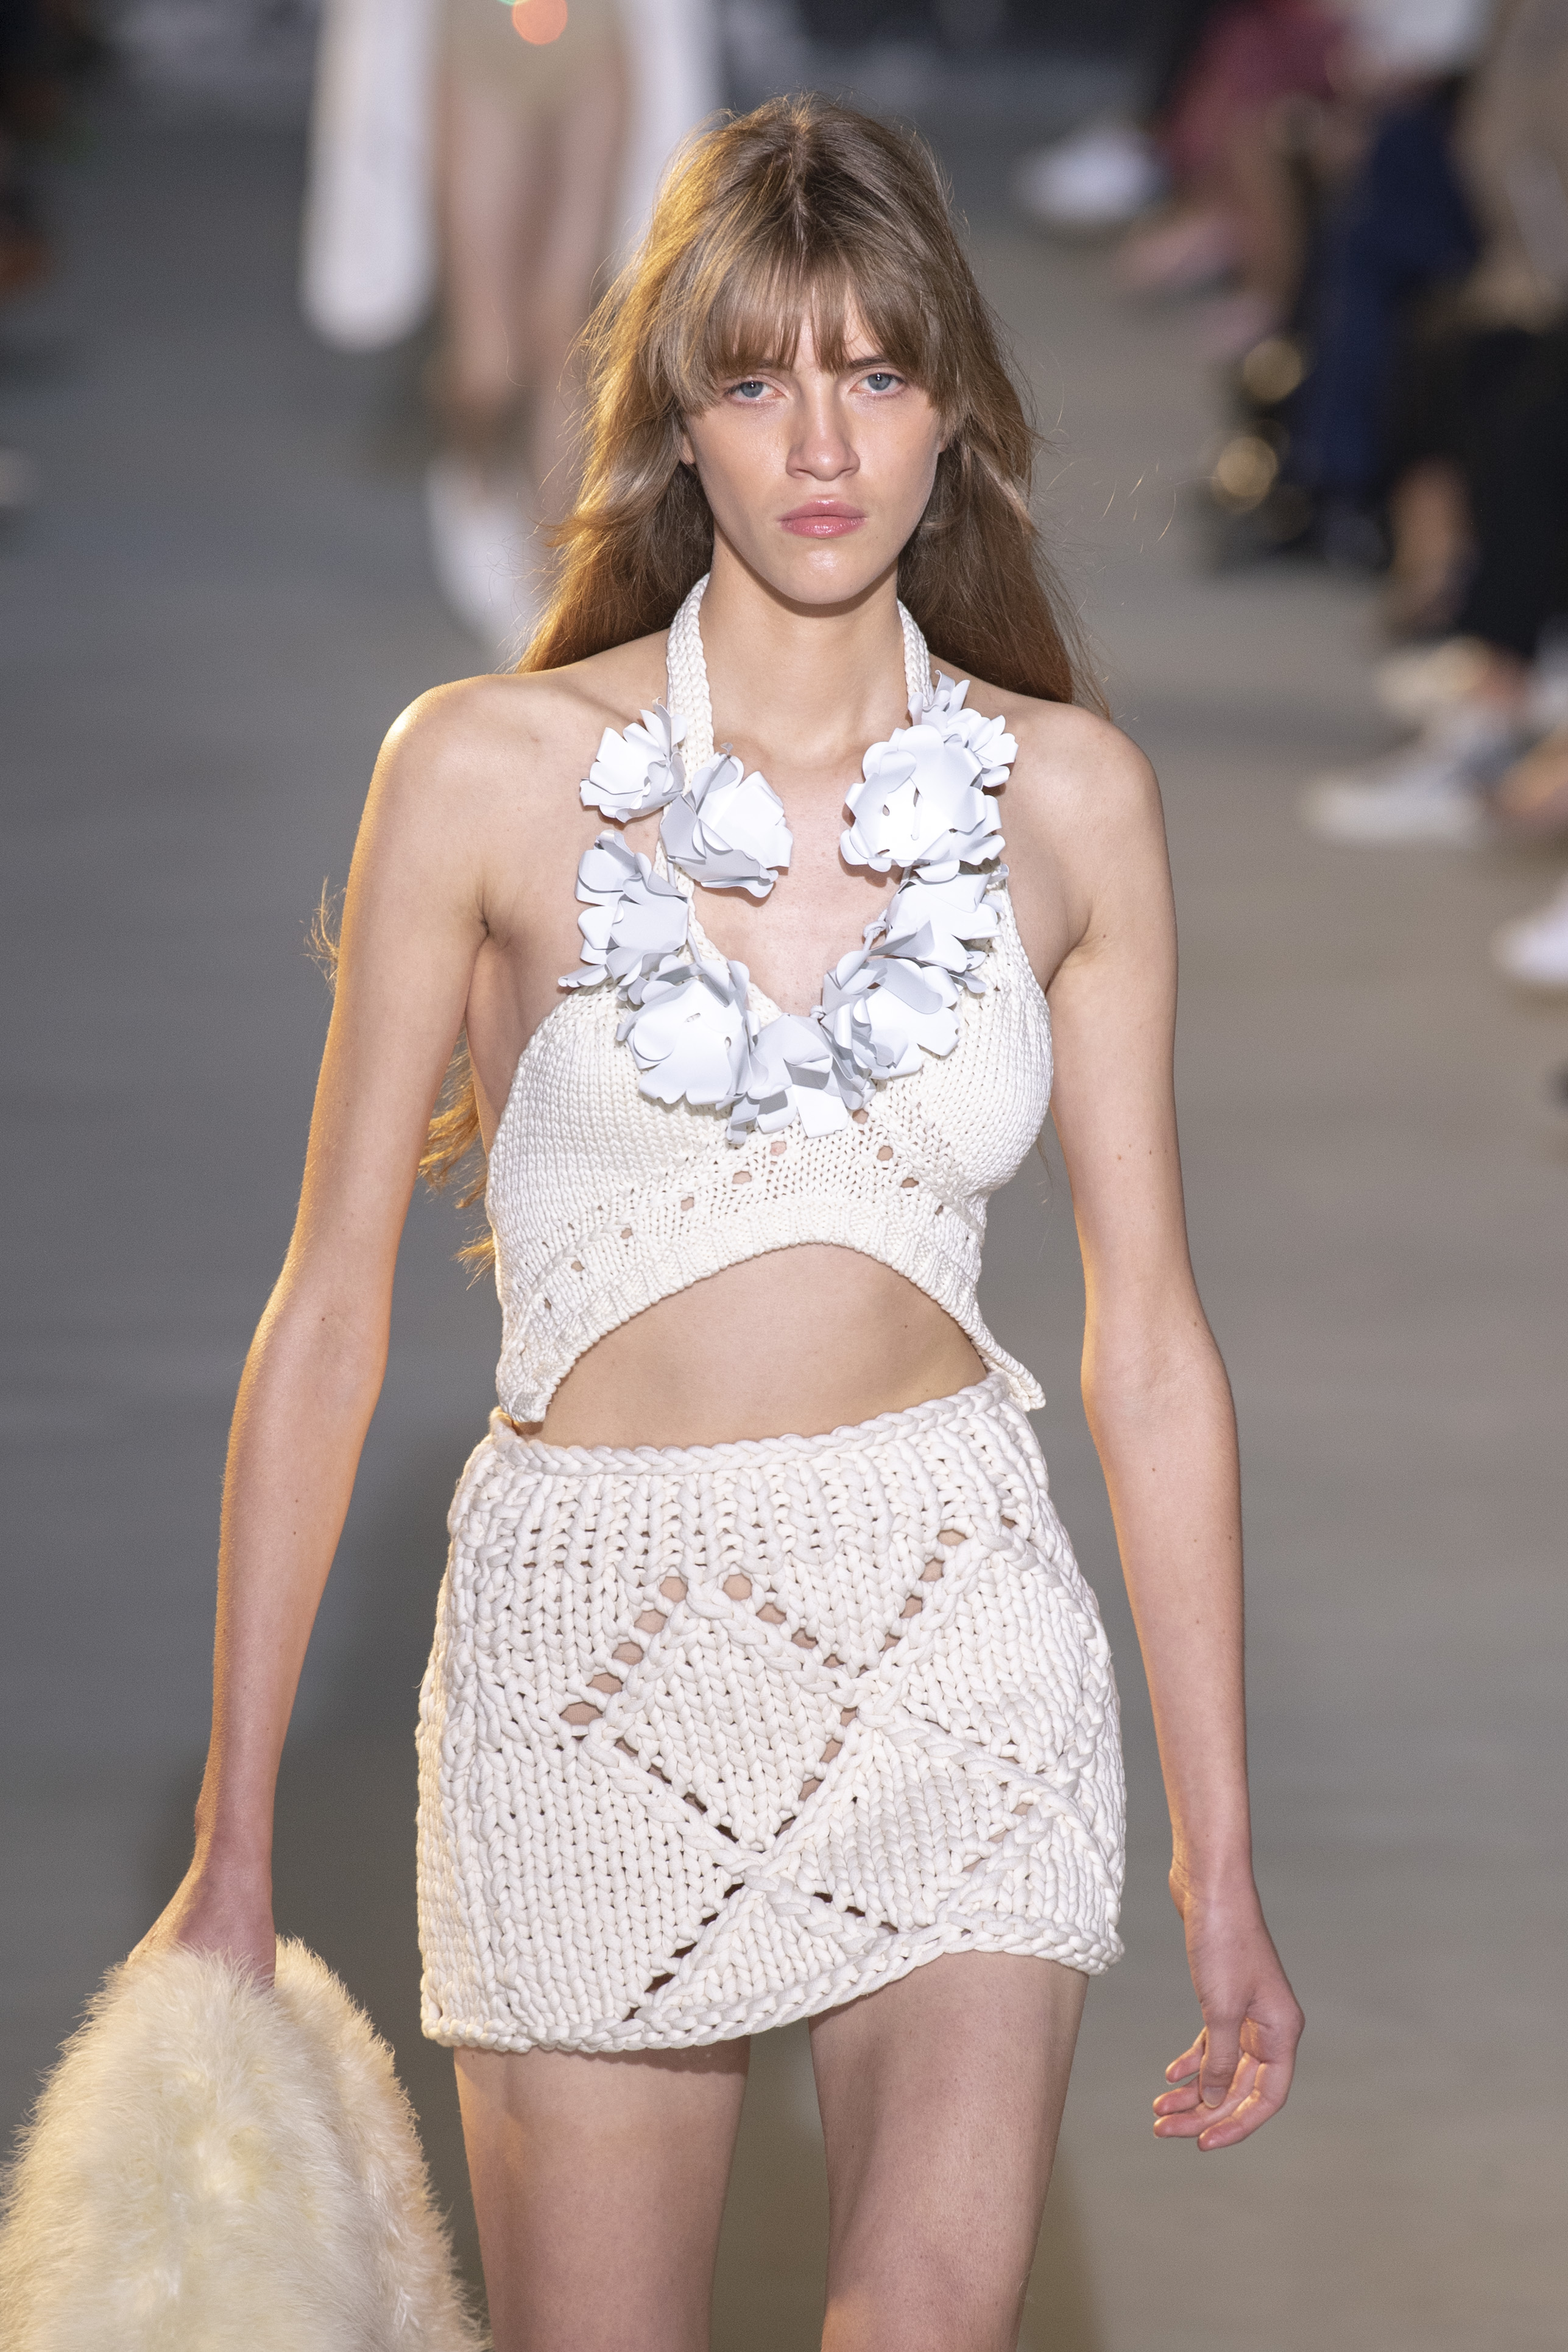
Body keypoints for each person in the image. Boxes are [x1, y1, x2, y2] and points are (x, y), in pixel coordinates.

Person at [138, 97, 1302, 2348]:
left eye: (878, 370)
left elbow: (1151, 1340)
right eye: (760, 378)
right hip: (591, 1655)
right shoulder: (479, 772)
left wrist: (1218, 1852)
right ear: (680, 418)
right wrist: (238, 1836)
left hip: (952, 1622)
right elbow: (329, 1308)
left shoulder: (1072, 802)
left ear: (955, 406)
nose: (823, 442)